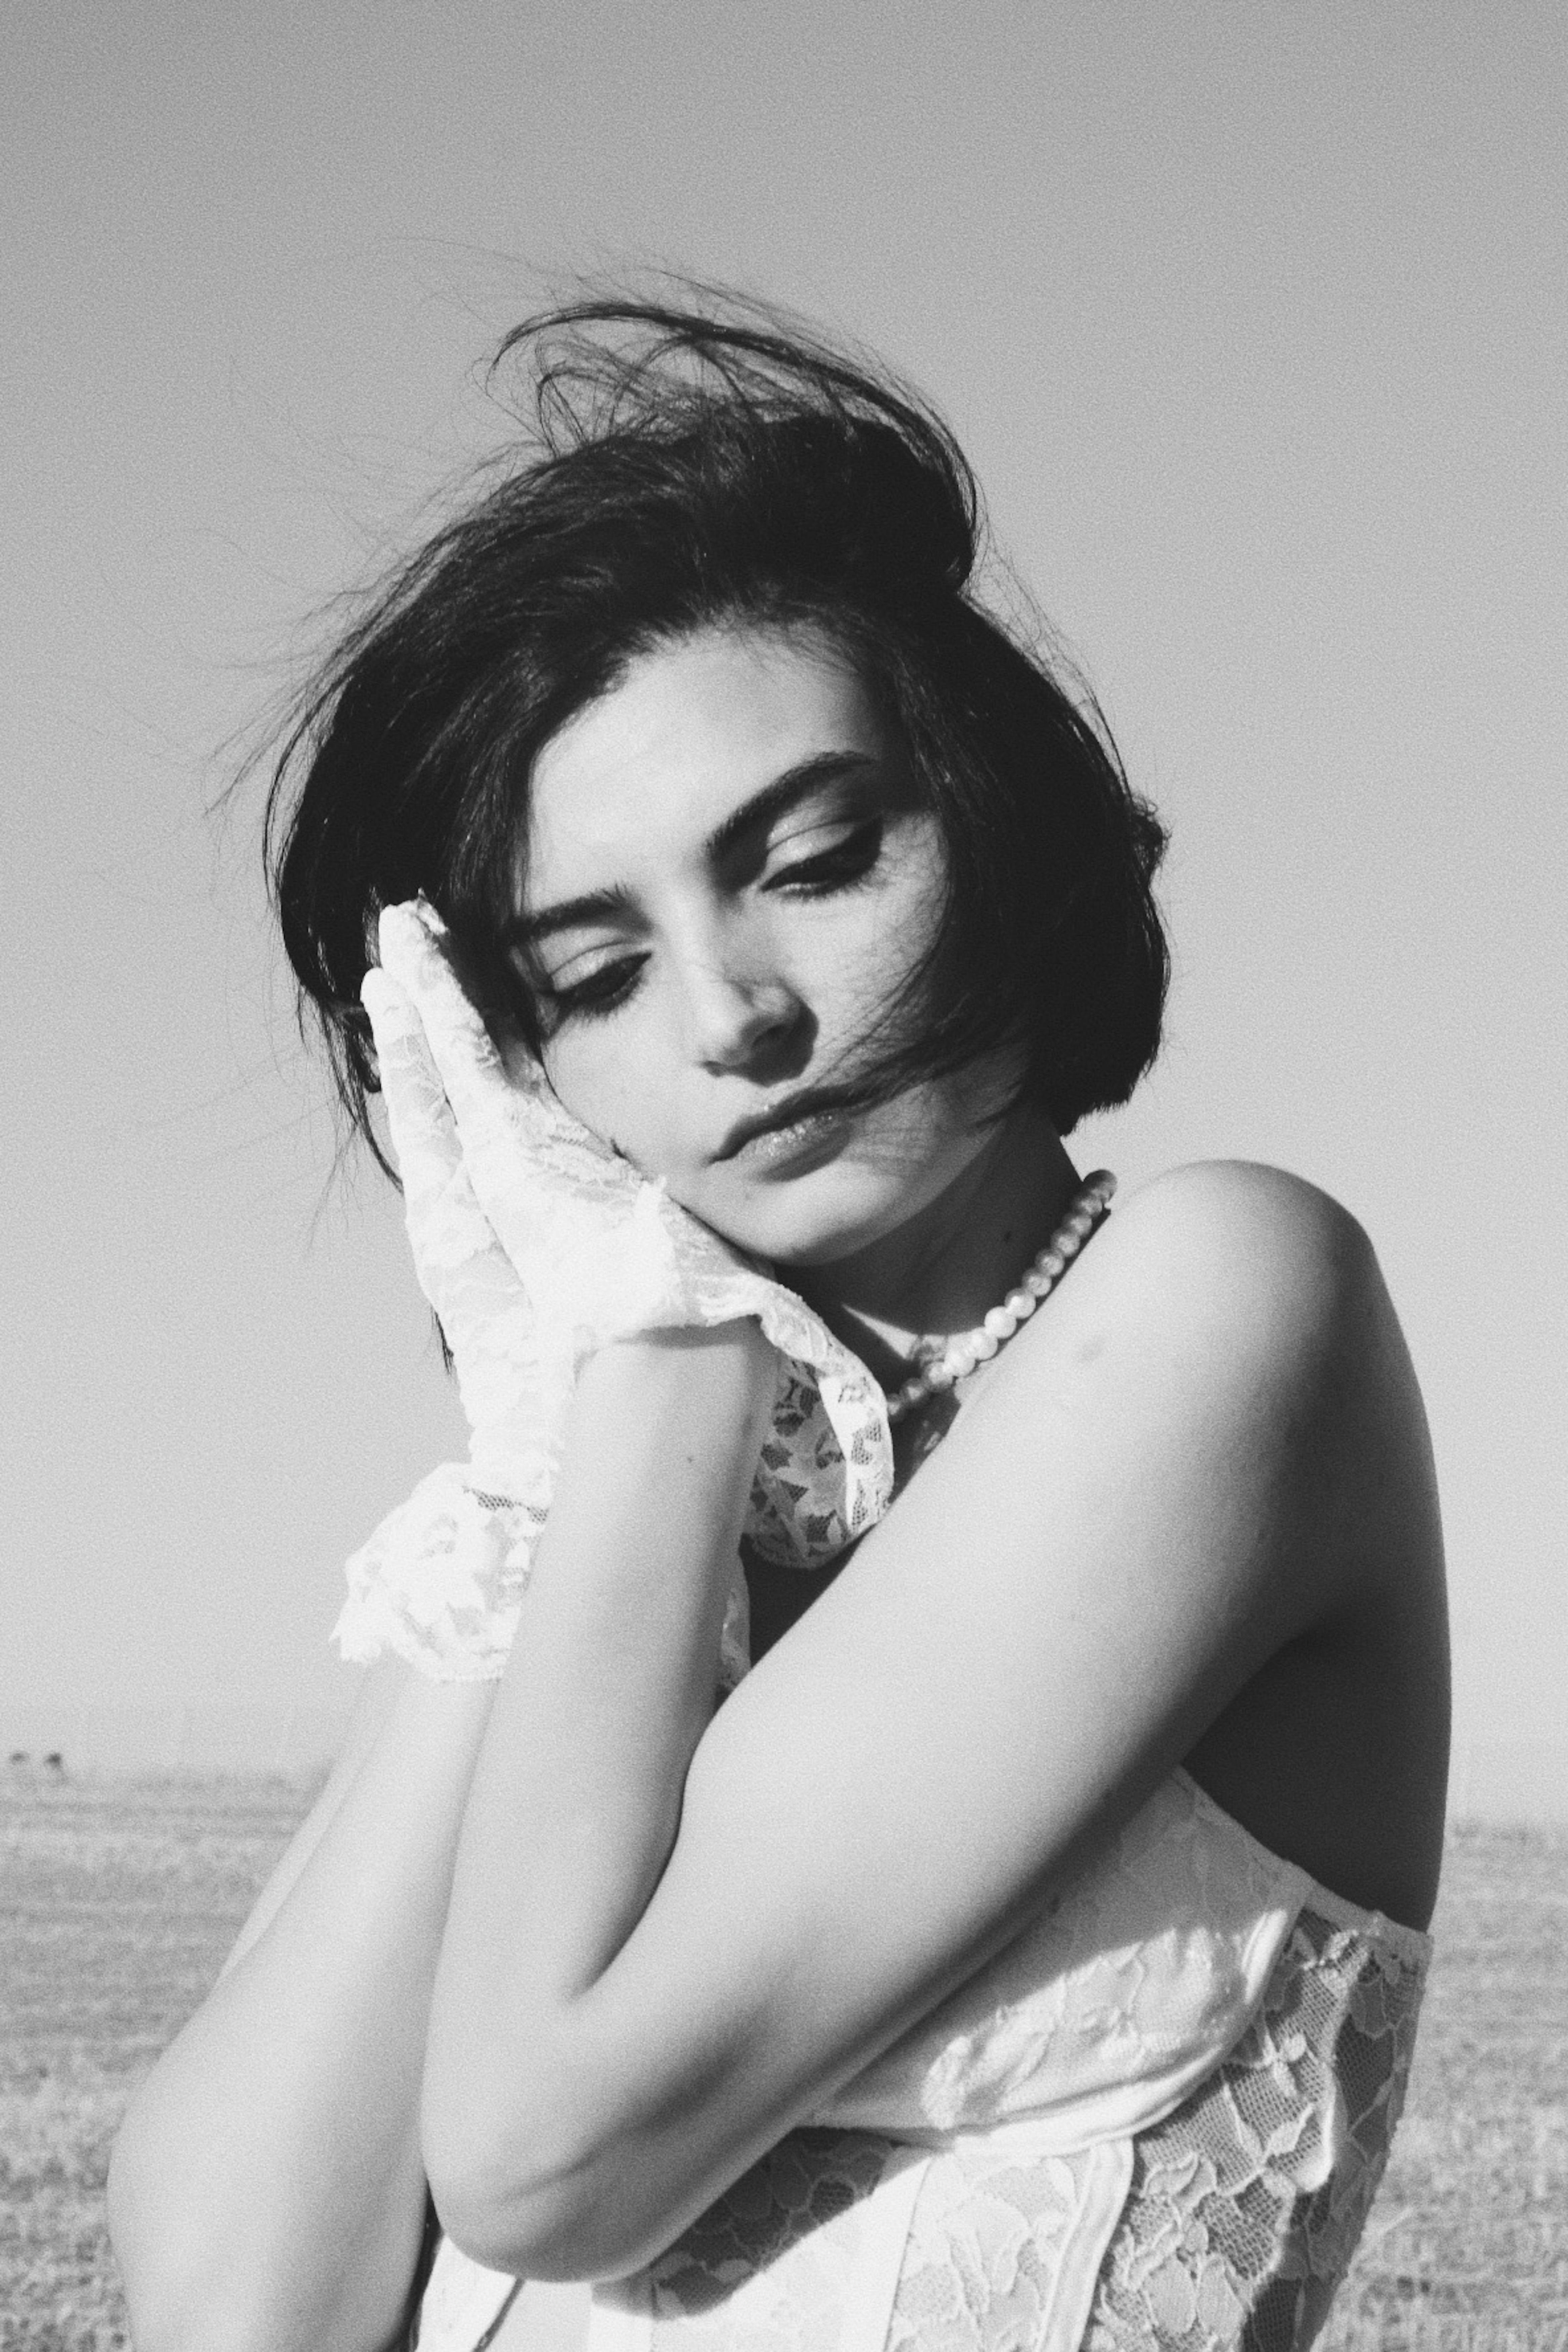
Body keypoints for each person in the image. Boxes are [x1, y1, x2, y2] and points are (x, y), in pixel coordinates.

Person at [107, 298, 1448, 2352]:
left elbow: (550, 2154)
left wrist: (653, 1365)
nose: (733, 1019)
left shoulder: (1225, 1297)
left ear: (998, 823)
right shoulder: (623, 1507)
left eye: (814, 859)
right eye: (594, 973)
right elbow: (237, 2307)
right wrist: (562, 1458)